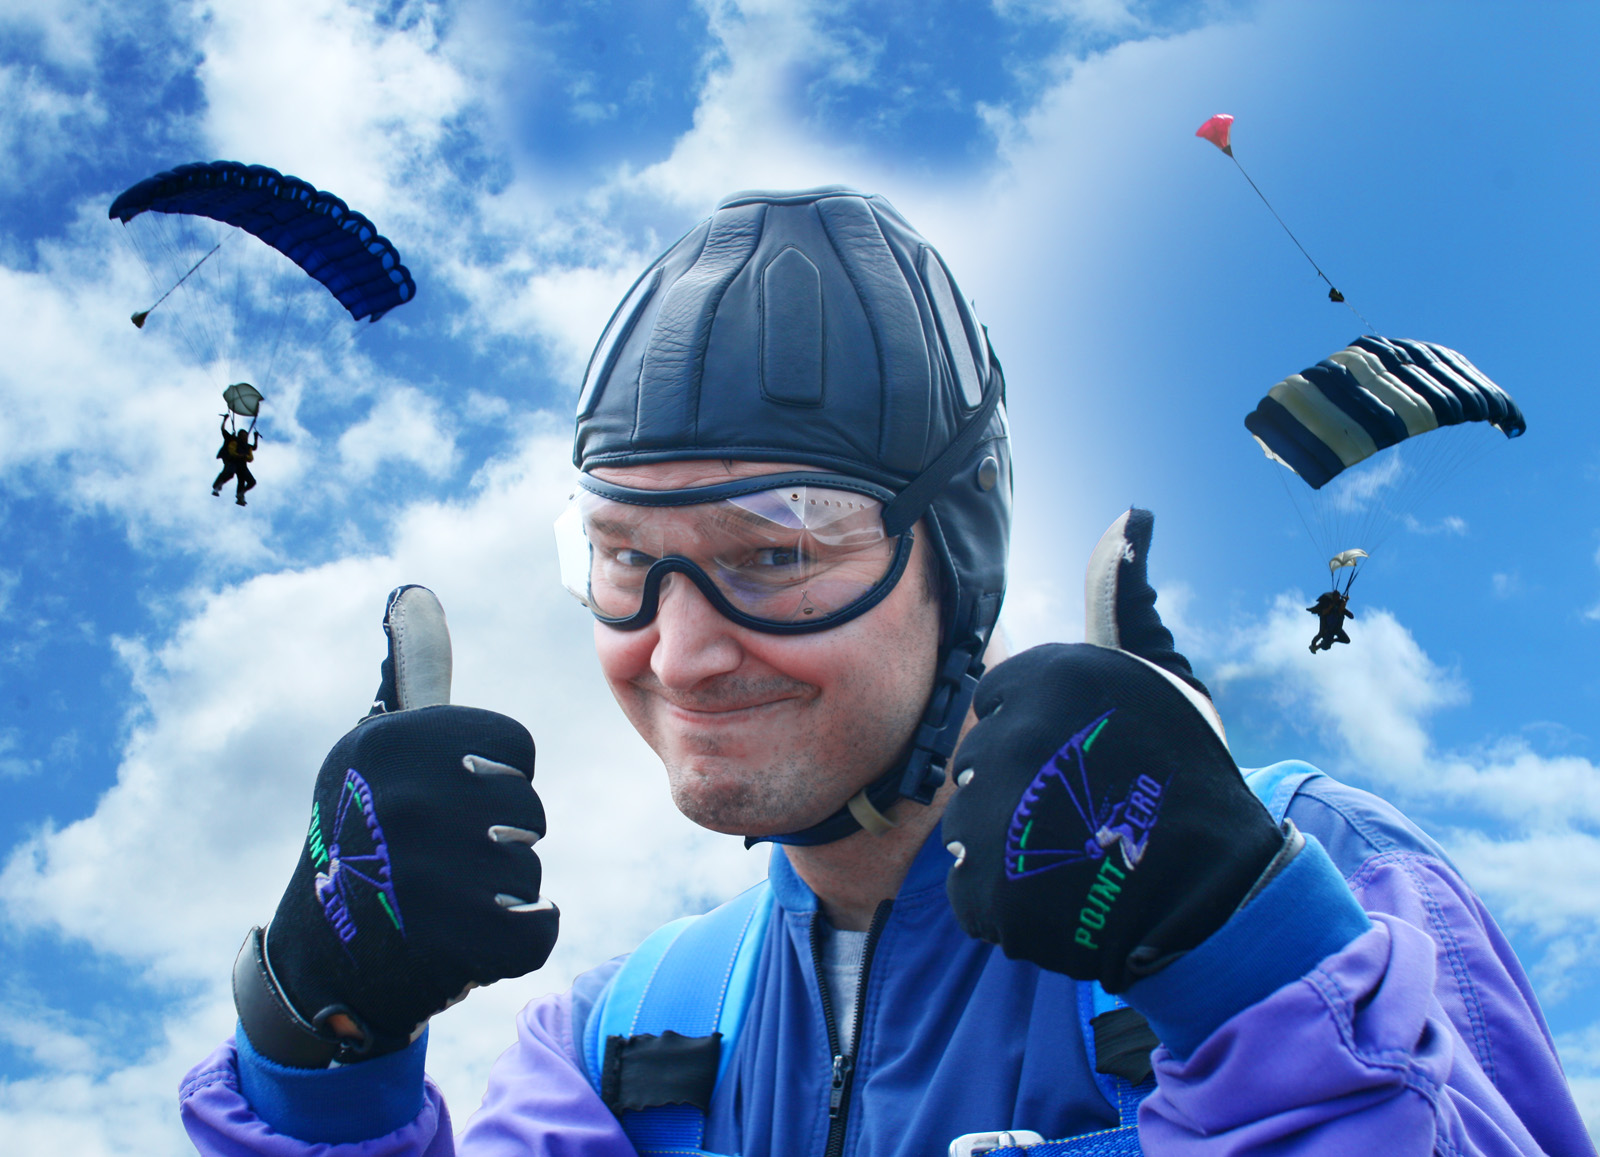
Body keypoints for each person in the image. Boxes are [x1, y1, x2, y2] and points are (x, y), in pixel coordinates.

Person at [179, 188, 1595, 1156]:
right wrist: (319, 1041)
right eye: (623, 558)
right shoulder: (615, 1037)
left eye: (778, 553)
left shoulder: (1330, 879)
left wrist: (1248, 968)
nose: (679, 651)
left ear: (957, 560)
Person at [212, 417, 258, 506]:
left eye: (246, 435)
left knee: (250, 481)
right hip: (233, 461)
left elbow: (254, 449)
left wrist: (255, 438)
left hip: (242, 465)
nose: (245, 437)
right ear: (240, 436)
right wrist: (225, 420)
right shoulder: (233, 441)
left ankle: (241, 494)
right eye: (244, 435)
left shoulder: (247, 447)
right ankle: (217, 486)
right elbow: (223, 431)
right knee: (229, 473)